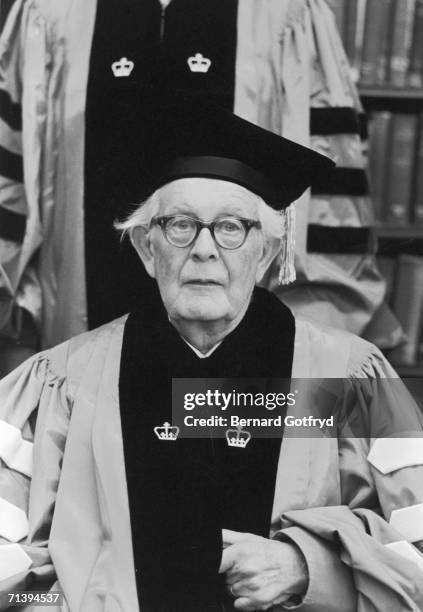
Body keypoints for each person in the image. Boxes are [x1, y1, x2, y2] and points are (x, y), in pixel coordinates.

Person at [0, 100, 422, 612]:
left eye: (231, 227)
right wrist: (57, 603)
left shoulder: (343, 378)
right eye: (180, 224)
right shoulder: (64, 381)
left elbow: (416, 550)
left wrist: (310, 566)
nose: (203, 249)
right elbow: (10, 570)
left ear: (265, 252)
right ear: (146, 249)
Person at [0, 0, 399, 371]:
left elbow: (328, 219)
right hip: (76, 349)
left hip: (253, 372)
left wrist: (288, 375)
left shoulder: (288, 13)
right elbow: (13, 193)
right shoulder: (49, 12)